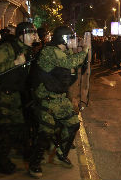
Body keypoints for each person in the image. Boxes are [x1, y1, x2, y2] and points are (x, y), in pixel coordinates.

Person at [28, 26, 89, 178]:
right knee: (46, 131)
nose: (73, 41)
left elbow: (72, 69)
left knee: (73, 124)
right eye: (70, 38)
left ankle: (60, 154)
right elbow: (70, 62)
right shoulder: (49, 51)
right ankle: (34, 164)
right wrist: (85, 50)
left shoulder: (63, 51)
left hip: (60, 97)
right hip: (46, 98)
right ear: (63, 39)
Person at [0, 22, 36, 174]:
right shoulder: (7, 48)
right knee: (6, 129)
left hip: (15, 94)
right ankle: (0, 161)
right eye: (31, 34)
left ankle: (27, 153)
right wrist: (15, 62)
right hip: (3, 94)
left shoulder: (27, 50)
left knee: (19, 126)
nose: (34, 37)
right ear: (22, 35)